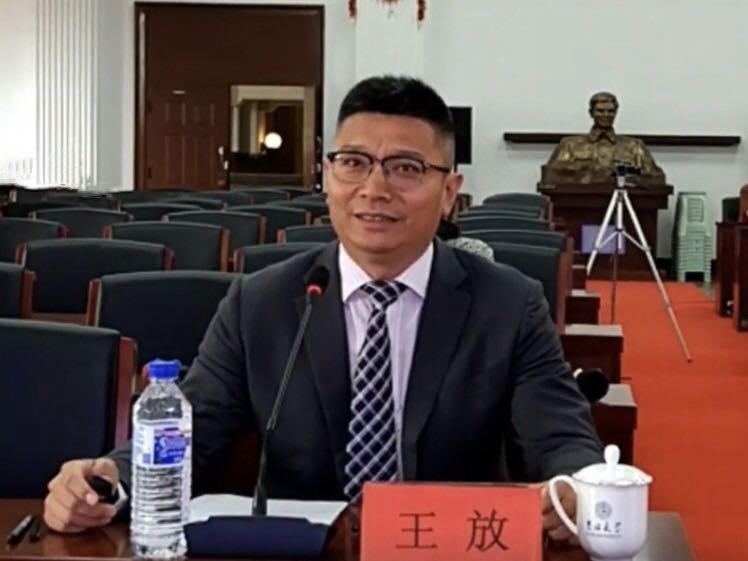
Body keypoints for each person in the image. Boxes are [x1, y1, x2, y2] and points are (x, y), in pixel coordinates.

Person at [44, 75, 602, 542]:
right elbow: (196, 430)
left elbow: (560, 437)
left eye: (406, 168)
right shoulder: (260, 302)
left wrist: (575, 487)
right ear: (327, 176)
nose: (375, 188)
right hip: (302, 551)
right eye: (354, 162)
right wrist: (110, 479)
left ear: (450, 192)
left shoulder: (508, 304)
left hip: (444, 547)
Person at [543, 91, 665, 185]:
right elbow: (551, 175)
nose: (606, 115)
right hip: (577, 203)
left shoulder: (635, 146)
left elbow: (655, 178)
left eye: (610, 111)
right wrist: (587, 171)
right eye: (600, 111)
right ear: (591, 113)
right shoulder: (569, 145)